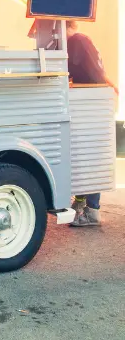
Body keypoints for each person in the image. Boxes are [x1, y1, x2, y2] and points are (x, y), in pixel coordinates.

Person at [66, 19, 118, 227]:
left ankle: (92, 211)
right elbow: (96, 71)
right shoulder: (84, 39)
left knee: (86, 154)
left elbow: (68, 71)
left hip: (89, 102)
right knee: (88, 153)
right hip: (97, 99)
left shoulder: (75, 41)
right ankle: (82, 204)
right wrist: (112, 85)